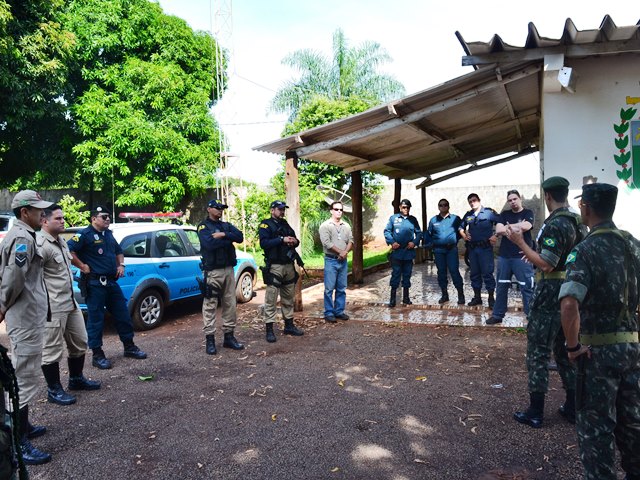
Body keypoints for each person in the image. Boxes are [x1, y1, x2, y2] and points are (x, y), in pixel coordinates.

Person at [559, 183, 640, 480]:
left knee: (597, 431)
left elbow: (569, 304)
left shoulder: (585, 249)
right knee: (632, 424)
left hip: (597, 354)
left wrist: (571, 347)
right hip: (632, 349)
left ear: (586, 208)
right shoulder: (633, 244)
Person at [508, 176, 581, 428]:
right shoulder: (578, 222)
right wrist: (535, 256)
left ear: (547, 196)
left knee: (538, 350)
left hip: (550, 293)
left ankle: (535, 411)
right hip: (570, 293)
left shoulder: (555, 224)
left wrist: (520, 243)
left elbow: (548, 264)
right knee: (565, 349)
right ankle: (572, 406)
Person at [0, 190, 53, 464]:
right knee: (23, 377)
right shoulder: (22, 238)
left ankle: (25, 427)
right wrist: (1, 306)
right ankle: (18, 444)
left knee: (28, 374)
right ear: (24, 213)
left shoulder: (24, 234)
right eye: (38, 210)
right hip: (24, 318)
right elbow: (13, 278)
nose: (42, 214)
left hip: (29, 316)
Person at [68, 206, 147, 369]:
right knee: (96, 320)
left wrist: (121, 265)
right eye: (104, 217)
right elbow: (69, 251)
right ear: (93, 218)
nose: (107, 219)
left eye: (108, 216)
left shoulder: (109, 234)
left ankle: (129, 347)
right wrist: (82, 266)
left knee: (123, 314)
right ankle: (97, 355)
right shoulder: (84, 235)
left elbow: (119, 251)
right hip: (95, 284)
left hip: (111, 282)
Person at [38, 205, 101, 406]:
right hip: (52, 305)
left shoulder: (62, 242)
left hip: (69, 301)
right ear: (44, 221)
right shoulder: (40, 244)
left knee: (80, 342)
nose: (63, 221)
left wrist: (81, 266)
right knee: (51, 350)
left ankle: (76, 379)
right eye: (58, 218)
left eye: (63, 218)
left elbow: (68, 263)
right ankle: (54, 389)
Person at [197, 199, 245, 355]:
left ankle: (229, 337)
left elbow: (239, 237)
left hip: (229, 270)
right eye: (217, 208)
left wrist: (223, 235)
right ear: (209, 209)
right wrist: (228, 240)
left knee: (230, 303)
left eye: (222, 208)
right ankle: (210, 340)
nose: (220, 210)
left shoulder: (226, 226)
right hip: (213, 272)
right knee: (210, 305)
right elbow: (209, 244)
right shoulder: (203, 226)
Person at [258, 200, 304, 343]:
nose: (282, 211)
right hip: (275, 265)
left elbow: (296, 239)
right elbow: (264, 243)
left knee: (288, 297)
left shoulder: (285, 224)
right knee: (271, 299)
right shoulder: (265, 224)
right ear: (272, 210)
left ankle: (289, 325)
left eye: (283, 209)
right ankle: (269, 329)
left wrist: (293, 241)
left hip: (288, 264)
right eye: (279, 209)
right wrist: (281, 240)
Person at [487, 190, 535, 324]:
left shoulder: (528, 213)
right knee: (501, 286)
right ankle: (497, 315)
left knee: (527, 287)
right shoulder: (504, 214)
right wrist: (515, 227)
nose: (512, 202)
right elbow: (498, 230)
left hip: (522, 256)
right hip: (505, 257)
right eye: (510, 200)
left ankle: (531, 316)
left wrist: (508, 227)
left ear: (520, 199)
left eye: (515, 199)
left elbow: (527, 226)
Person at [459, 193, 500, 307]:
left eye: (474, 200)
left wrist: (496, 235)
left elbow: (501, 223)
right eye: (470, 201)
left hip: (485, 248)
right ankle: (477, 298)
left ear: (479, 200)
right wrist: (464, 235)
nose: (472, 203)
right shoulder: (468, 215)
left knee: (487, 273)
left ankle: (491, 298)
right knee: (474, 274)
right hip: (472, 249)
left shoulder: (488, 213)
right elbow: (461, 227)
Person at [424, 198, 465, 305]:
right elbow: (429, 234)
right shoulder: (433, 220)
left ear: (448, 206)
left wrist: (453, 241)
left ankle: (461, 295)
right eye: (441, 205)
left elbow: (460, 232)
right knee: (441, 272)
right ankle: (444, 295)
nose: (443, 207)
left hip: (451, 250)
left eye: (445, 205)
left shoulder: (455, 219)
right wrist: (430, 245)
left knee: (454, 271)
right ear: (438, 207)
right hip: (438, 250)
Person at [319, 201, 354, 323]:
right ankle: (328, 312)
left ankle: (339, 311)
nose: (339, 211)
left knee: (342, 288)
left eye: (341, 210)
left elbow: (351, 241)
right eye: (336, 209)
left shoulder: (346, 226)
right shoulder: (325, 225)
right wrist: (341, 252)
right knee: (329, 288)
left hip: (342, 260)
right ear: (331, 211)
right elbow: (326, 243)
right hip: (331, 260)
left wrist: (345, 252)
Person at [383, 199, 422, 307]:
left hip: (408, 252)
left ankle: (406, 298)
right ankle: (392, 298)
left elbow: (419, 233)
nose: (406, 209)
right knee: (395, 274)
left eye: (408, 207)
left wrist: (414, 243)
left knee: (407, 275)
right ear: (400, 207)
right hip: (397, 252)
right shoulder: (393, 218)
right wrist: (392, 242)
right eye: (404, 207)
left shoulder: (413, 220)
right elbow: (387, 231)